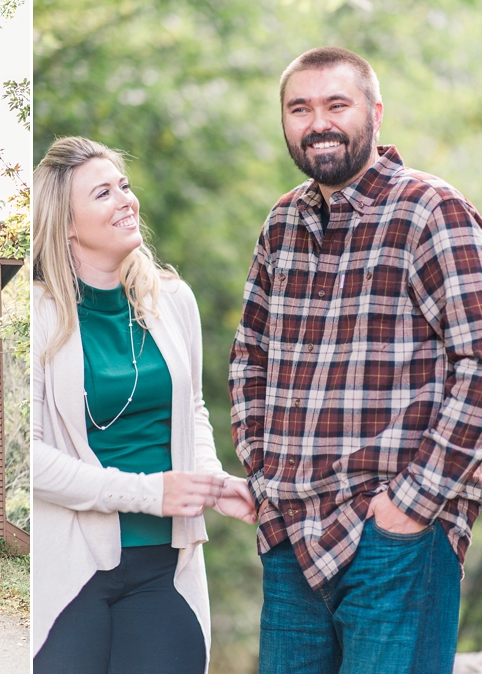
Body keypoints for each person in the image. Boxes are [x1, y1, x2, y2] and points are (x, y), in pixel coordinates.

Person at [229, 46, 482, 674]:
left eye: (336, 104)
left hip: (395, 540)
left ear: (374, 111)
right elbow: (248, 359)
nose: (318, 122)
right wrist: (264, 478)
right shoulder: (282, 222)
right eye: (300, 108)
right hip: (290, 537)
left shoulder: (431, 210)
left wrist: (413, 504)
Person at [32, 136, 257, 674]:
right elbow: (28, 460)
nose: (126, 201)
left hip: (166, 566)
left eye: (125, 187)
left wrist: (209, 480)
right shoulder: (37, 315)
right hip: (70, 569)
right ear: (65, 224)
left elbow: (192, 410)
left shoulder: (173, 300)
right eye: (103, 193)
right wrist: (147, 492)